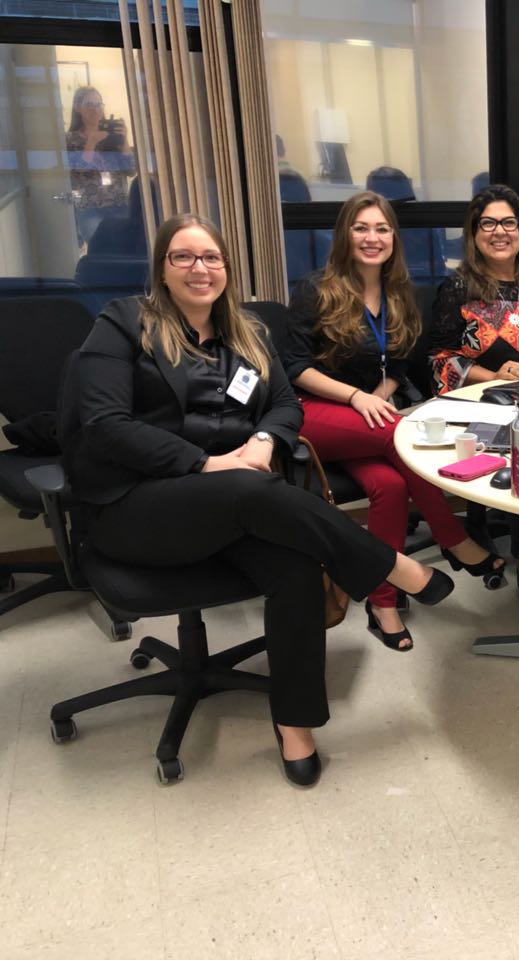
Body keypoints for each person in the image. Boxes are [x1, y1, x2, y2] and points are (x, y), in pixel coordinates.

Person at [65, 214, 456, 787]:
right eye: (184, 257)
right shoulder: (125, 324)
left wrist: (264, 440)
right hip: (136, 506)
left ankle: (296, 724)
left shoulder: (247, 333)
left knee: (295, 564)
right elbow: (105, 425)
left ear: (228, 267)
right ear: (162, 268)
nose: (201, 268)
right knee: (253, 489)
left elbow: (285, 406)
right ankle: (390, 567)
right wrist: (205, 463)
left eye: (212, 257)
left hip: (237, 501)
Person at [285, 191, 504, 651]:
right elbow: (294, 367)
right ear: (345, 234)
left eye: (382, 229)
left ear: (393, 238)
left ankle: (382, 602)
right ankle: (453, 537)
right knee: (401, 435)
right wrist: (356, 397)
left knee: (392, 486)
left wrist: (380, 396)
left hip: (368, 417)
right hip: (314, 411)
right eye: (361, 228)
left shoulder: (399, 293)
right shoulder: (315, 289)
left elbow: (401, 365)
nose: (372, 238)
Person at [427, 184, 519, 609]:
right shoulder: (459, 287)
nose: (499, 231)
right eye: (488, 223)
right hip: (486, 401)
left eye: (508, 222)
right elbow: (440, 358)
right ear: (474, 233)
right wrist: (493, 374)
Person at [65, 86, 135, 248]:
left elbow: (131, 170)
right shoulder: (70, 139)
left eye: (98, 104)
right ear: (78, 108)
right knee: (100, 249)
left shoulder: (112, 135)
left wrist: (124, 140)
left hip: (119, 204)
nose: (95, 109)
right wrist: (92, 142)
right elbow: (79, 169)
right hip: (90, 208)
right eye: (89, 104)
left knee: (124, 249)